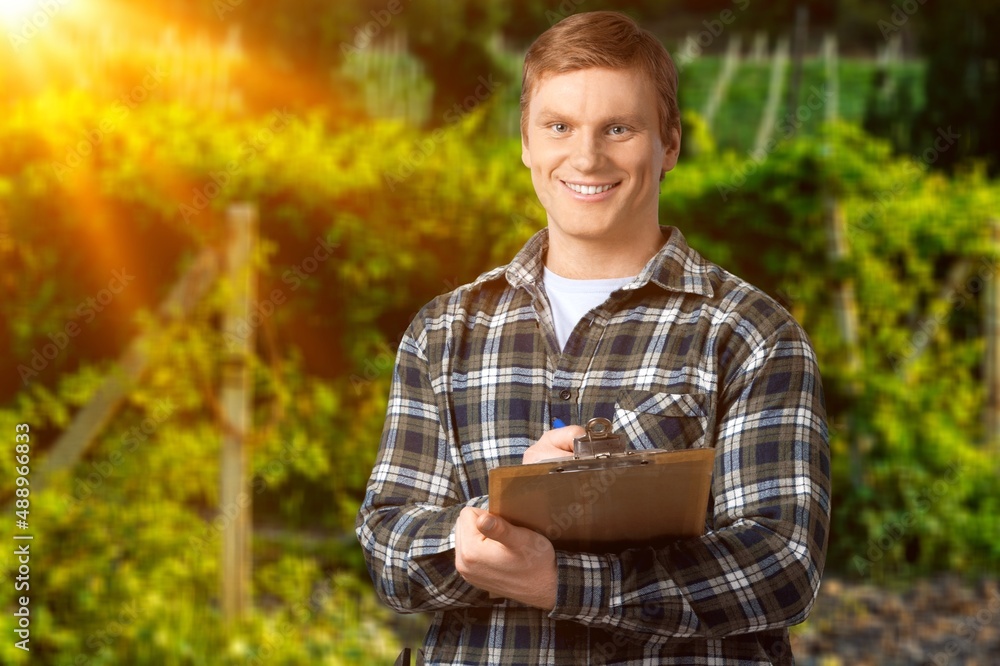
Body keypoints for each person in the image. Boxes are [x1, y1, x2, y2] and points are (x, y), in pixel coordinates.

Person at [357, 10, 831, 665]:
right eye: (559, 127)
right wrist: (487, 521)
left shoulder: (749, 334)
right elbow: (389, 543)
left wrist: (563, 581)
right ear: (526, 142)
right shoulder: (444, 333)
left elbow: (782, 565)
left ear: (669, 144)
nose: (586, 157)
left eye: (619, 128)